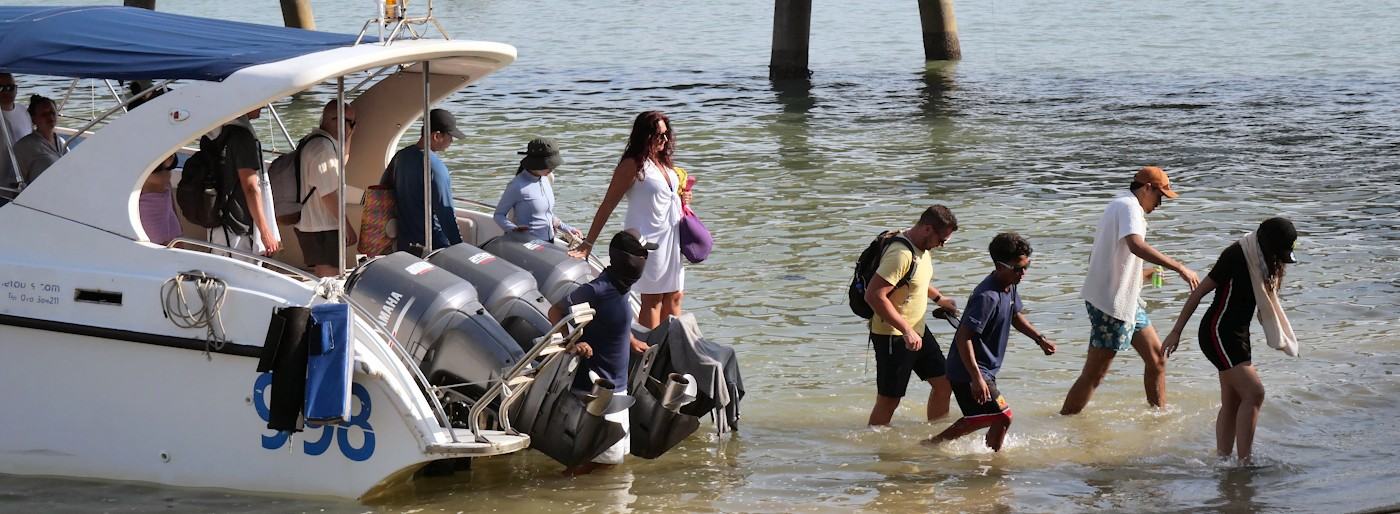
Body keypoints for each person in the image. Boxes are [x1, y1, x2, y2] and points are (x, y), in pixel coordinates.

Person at [1060, 166, 1200, 415]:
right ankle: (1064, 421)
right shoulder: (1129, 207)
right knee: (1095, 373)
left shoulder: (1121, 205)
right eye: (1160, 196)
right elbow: (1136, 245)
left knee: (1157, 360)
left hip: (1126, 301)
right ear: (1147, 188)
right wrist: (1179, 267)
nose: (1160, 204)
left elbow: (1107, 255)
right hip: (1110, 304)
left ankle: (1158, 418)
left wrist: (1141, 275)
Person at [1161, 217, 1298, 464]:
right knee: (1255, 393)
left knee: (1234, 400)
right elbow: (1199, 292)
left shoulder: (1264, 260)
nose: (1279, 260)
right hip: (1218, 332)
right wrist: (1176, 331)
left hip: (1237, 334)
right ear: (1266, 244)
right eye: (1278, 253)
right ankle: (1245, 463)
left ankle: (1223, 461)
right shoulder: (1236, 255)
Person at [927, 232, 1057, 451]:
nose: (1023, 273)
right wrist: (976, 379)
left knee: (987, 417)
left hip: (983, 370)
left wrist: (1039, 339)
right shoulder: (986, 297)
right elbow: (963, 337)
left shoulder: (1010, 283)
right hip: (968, 372)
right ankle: (933, 445)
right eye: (1018, 268)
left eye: (1027, 266)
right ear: (999, 266)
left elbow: (1015, 315)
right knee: (1002, 416)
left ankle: (986, 457)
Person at [548, 229, 656, 475]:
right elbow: (556, 312)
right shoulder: (598, 289)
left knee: (612, 464)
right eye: (641, 254)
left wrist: (630, 339)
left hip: (619, 387)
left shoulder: (621, 286)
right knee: (598, 465)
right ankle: (558, 494)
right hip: (598, 390)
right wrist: (572, 343)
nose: (645, 259)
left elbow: (611, 318)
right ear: (628, 260)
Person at [574, 111, 692, 329]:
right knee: (653, 300)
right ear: (644, 136)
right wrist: (588, 243)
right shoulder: (632, 165)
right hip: (648, 240)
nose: (664, 140)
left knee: (675, 296)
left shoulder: (663, 163)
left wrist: (682, 198)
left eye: (666, 135)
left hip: (672, 239)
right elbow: (608, 203)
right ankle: (650, 352)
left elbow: (667, 197)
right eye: (658, 135)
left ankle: (675, 351)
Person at [864, 205, 961, 427]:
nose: (943, 245)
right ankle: (876, 450)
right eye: (942, 239)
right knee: (889, 400)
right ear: (928, 229)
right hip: (893, 335)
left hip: (917, 330)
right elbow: (874, 295)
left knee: (944, 383)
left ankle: (938, 437)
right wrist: (906, 330)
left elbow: (915, 279)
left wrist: (940, 299)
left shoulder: (922, 248)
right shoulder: (901, 254)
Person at [388, 108, 466, 255]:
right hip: (432, 245)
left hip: (404, 244)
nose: (452, 141)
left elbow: (385, 189)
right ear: (436, 136)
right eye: (450, 136)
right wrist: (460, 248)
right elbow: (446, 214)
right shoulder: (436, 168)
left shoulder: (400, 157)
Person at [294, 100, 358, 277]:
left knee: (328, 274)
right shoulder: (322, 149)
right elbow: (328, 194)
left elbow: (340, 164)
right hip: (320, 226)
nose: (353, 128)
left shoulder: (318, 141)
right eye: (351, 123)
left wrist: (349, 134)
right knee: (329, 277)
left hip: (314, 224)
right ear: (336, 120)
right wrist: (346, 226)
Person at [209, 107, 281, 257]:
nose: (263, 106)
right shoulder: (242, 137)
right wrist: (265, 232)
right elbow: (250, 187)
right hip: (237, 226)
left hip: (220, 221)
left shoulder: (217, 133)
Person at [494, 137, 581, 243]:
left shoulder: (547, 178)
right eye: (548, 165)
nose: (551, 169)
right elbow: (499, 215)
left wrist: (567, 228)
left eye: (553, 165)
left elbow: (546, 213)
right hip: (528, 245)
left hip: (549, 241)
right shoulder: (517, 186)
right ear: (535, 163)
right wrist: (512, 228)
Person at [12, 95, 66, 186]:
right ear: (33, 119)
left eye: (52, 112)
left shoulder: (62, 142)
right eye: (44, 114)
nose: (50, 117)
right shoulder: (24, 146)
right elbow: (15, 184)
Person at [0, 73, 32, 203]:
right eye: (1, 88)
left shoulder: (23, 111)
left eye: (11, 87)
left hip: (22, 182)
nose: (7, 91)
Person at [139, 154, 182, 246]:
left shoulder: (163, 149)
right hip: (148, 211)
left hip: (167, 207)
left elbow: (168, 185)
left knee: (178, 247)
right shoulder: (141, 156)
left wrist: (175, 214)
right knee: (159, 252)